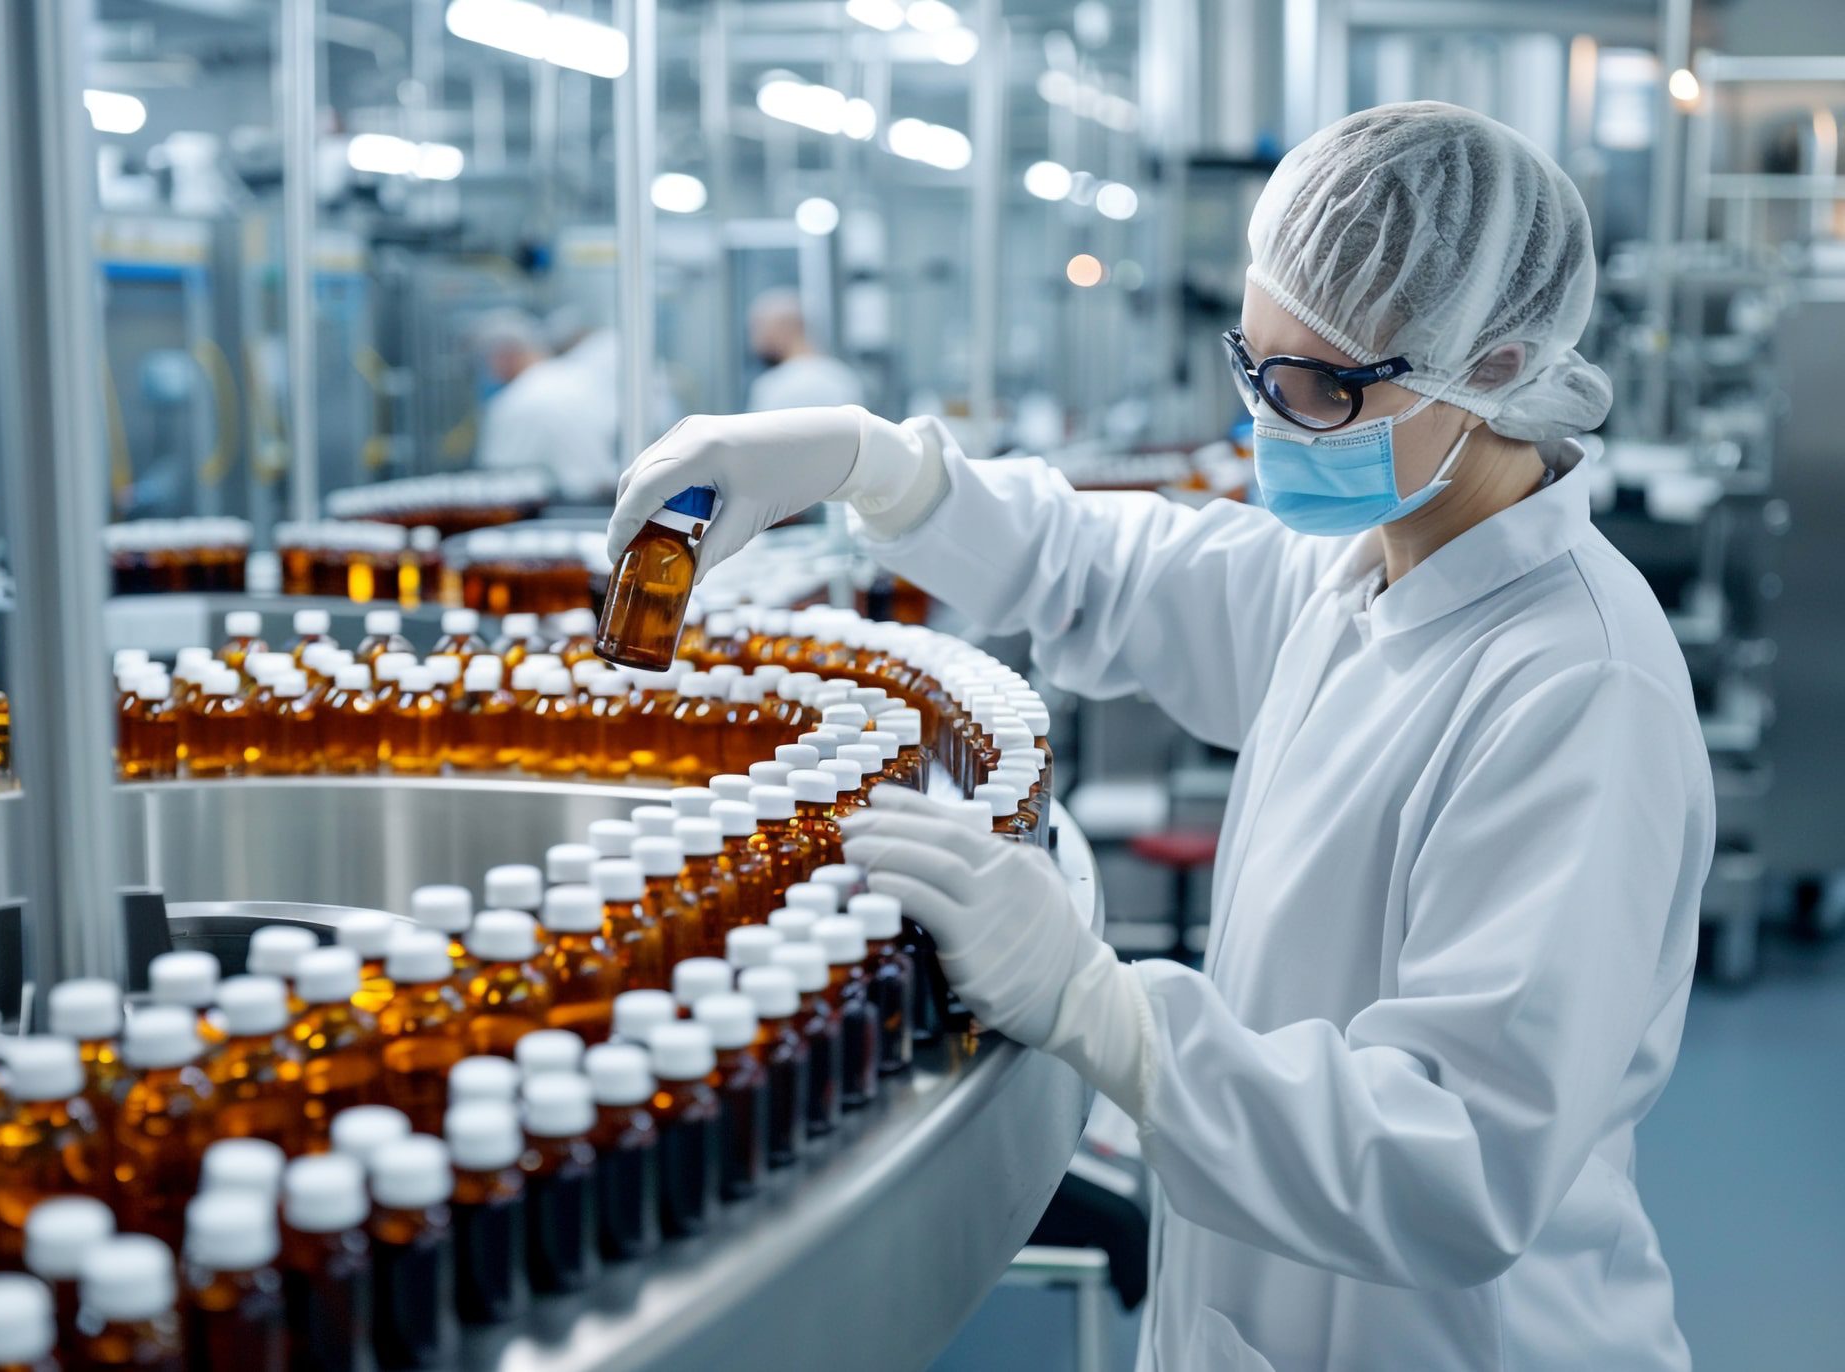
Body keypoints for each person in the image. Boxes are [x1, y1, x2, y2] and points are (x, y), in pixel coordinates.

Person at [608, 103, 1711, 1371]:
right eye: (1257, 364)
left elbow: (1455, 1164)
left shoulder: (1578, 689)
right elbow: (1112, 567)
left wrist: (1107, 1011)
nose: (1273, 421)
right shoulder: (1370, 576)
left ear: (1498, 371)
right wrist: (873, 468)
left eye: (1317, 385)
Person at [472, 307, 625, 500]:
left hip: (556, 507)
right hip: (605, 499)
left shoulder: (515, 400)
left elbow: (498, 481)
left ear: (504, 357)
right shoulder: (581, 378)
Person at [745, 288, 865, 412]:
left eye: (757, 329)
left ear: (782, 328)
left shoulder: (772, 387)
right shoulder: (843, 379)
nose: (754, 342)